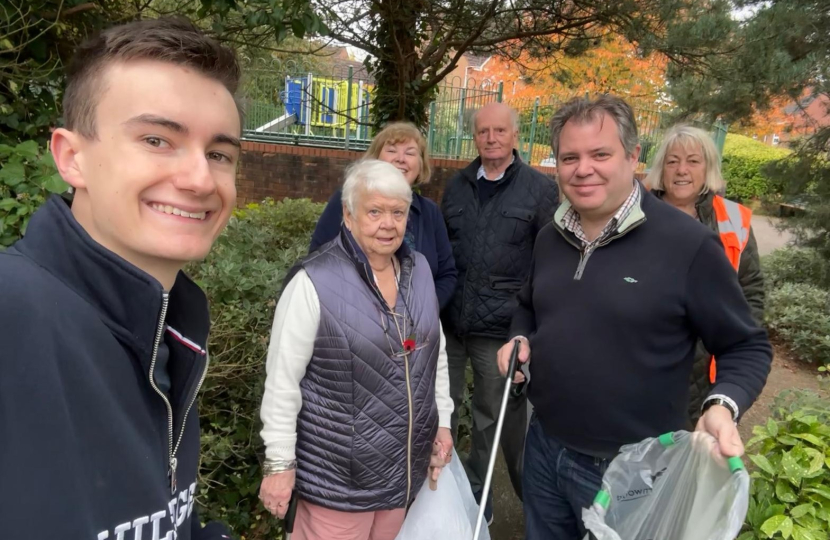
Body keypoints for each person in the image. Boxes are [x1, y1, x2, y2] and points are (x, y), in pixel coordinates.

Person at [0, 17, 240, 539]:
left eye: (219, 154)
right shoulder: (11, 316)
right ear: (71, 157)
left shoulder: (171, 322)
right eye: (157, 139)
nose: (200, 179)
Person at [497, 95, 772, 540]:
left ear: (633, 156)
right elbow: (528, 305)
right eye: (570, 157)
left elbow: (748, 345)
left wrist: (722, 405)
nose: (583, 169)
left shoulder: (689, 245)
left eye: (600, 154)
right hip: (544, 446)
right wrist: (519, 338)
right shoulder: (550, 236)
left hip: (628, 472)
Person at [258, 159, 455, 540]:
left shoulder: (420, 271)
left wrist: (442, 422)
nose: (388, 223)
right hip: (339, 486)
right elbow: (283, 382)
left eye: (398, 213)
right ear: (348, 215)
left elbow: (436, 357)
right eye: (375, 211)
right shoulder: (314, 281)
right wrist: (280, 464)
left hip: (402, 477)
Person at [440, 101, 559, 520]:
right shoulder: (456, 186)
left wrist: (535, 328)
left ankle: (478, 495)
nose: (491, 139)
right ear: (475, 137)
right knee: (444, 409)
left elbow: (551, 260)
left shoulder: (541, 190)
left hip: (501, 328)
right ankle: (442, 489)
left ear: (514, 135)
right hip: (452, 324)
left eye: (499, 131)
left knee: (491, 418)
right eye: (483, 132)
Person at [645, 124, 765, 426]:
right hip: (645, 357)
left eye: (693, 161)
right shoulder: (637, 212)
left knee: (689, 456)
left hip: (707, 367)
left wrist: (737, 347)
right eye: (672, 161)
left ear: (707, 167)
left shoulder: (733, 220)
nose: (681, 170)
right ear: (661, 168)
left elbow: (750, 290)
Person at [309, 122, 457, 309]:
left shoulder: (430, 212)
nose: (401, 159)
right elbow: (319, 260)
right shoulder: (347, 200)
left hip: (415, 332)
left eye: (410, 153)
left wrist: (423, 311)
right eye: (392, 150)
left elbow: (447, 274)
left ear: (420, 165)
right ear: (375, 158)